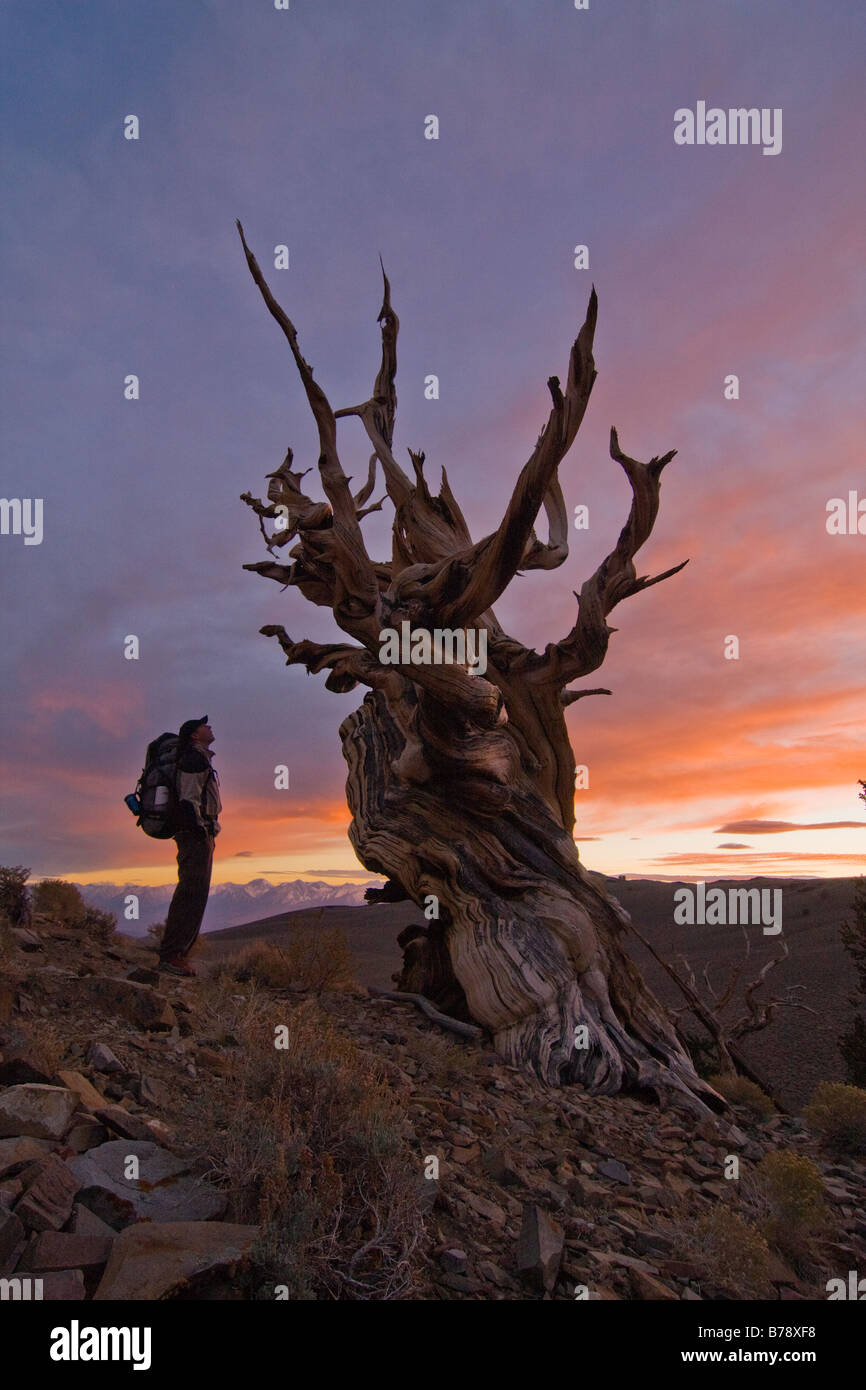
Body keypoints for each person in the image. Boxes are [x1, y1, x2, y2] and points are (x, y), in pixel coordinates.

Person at [158, 716, 221, 977]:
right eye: (204, 725)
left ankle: (176, 954)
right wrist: (202, 829)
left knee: (192, 893)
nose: (210, 727)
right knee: (191, 894)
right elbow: (188, 799)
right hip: (195, 835)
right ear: (195, 735)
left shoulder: (197, 757)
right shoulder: (194, 759)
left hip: (195, 834)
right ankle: (172, 955)